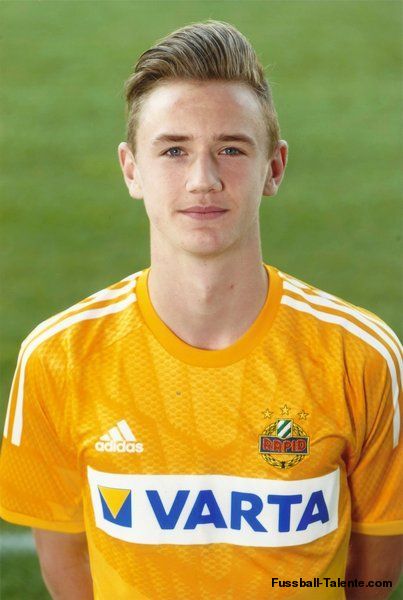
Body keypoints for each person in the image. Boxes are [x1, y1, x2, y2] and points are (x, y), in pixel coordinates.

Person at [0, 19, 401, 600]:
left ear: (274, 168)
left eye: (231, 149)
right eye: (174, 150)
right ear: (131, 169)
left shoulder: (361, 357)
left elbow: (374, 571)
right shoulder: (59, 359)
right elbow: (66, 563)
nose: (202, 179)